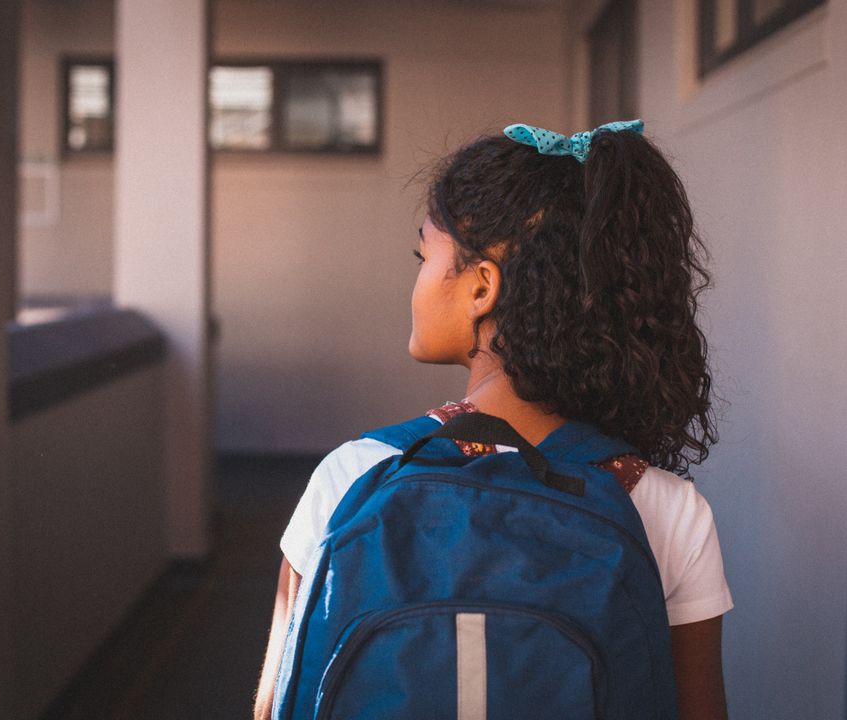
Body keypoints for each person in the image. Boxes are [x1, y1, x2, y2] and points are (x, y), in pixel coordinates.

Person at [253, 121, 733, 720]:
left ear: (483, 287)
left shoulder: (354, 478)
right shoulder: (667, 509)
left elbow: (276, 707)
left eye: (424, 256)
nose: (418, 279)